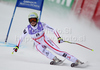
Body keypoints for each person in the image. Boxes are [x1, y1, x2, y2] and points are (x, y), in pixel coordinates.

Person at [13, 12, 83, 67]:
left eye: (34, 19)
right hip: (37, 43)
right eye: (31, 20)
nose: (32, 22)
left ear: (37, 19)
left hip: (45, 40)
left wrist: (59, 37)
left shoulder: (41, 24)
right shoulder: (27, 29)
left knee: (58, 51)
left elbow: (53, 29)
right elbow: (21, 38)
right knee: (39, 48)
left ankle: (76, 60)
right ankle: (55, 59)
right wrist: (17, 46)